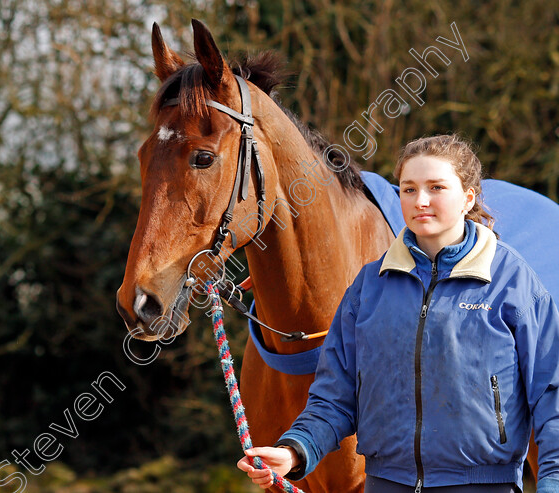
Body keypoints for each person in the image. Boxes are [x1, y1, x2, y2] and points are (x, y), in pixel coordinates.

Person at [237, 134, 559, 493]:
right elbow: (334, 397)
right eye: (409, 189)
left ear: (468, 197)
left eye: (436, 187)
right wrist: (295, 451)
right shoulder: (369, 287)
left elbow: (551, 392)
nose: (421, 201)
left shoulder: (511, 280)